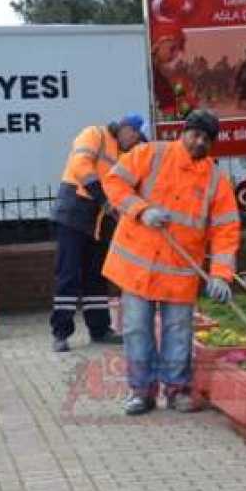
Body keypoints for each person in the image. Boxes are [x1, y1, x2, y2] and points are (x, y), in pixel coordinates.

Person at [101, 109, 242, 415]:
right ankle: (141, 392)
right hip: (138, 267)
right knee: (137, 329)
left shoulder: (216, 181)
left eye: (207, 139)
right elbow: (114, 182)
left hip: (179, 272)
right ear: (184, 132)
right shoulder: (151, 154)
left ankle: (177, 390)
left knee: (178, 332)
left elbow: (226, 230)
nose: (200, 142)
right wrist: (141, 210)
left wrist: (221, 275)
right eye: (196, 135)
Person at [49, 115, 145, 352]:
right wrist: (104, 200)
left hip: (98, 221)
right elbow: (81, 166)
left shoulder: (124, 153)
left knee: (96, 276)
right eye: (134, 137)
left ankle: (100, 329)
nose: (135, 143)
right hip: (73, 213)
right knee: (68, 274)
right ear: (126, 129)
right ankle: (60, 333)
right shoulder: (94, 134)